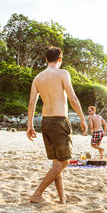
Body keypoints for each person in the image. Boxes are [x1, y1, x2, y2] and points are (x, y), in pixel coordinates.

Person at [27, 46, 87, 204]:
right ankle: (37, 194)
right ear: (60, 59)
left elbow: (32, 103)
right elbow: (72, 97)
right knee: (64, 161)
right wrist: (82, 118)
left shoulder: (38, 78)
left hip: (45, 121)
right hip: (59, 121)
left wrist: (30, 125)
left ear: (46, 59)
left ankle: (62, 198)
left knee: (56, 162)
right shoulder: (63, 73)